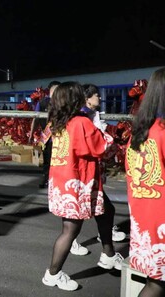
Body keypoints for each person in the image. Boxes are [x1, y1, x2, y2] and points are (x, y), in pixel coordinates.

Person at [42, 81, 123, 291]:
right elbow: (103, 146)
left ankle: (109, 254)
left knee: (106, 211)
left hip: (63, 181)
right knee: (70, 230)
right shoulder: (80, 122)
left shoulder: (58, 121)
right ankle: (52, 274)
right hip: (77, 182)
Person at [69, 83, 126, 255]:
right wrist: (111, 143)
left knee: (102, 211)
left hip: (90, 172)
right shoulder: (82, 119)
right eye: (95, 95)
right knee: (76, 220)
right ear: (86, 98)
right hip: (84, 174)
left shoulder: (89, 116)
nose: (99, 97)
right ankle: (57, 266)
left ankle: (106, 248)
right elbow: (99, 145)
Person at [125, 67, 165, 297]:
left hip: (144, 217)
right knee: (157, 284)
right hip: (160, 218)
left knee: (155, 281)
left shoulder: (140, 130)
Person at [29, 81, 61, 188]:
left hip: (60, 138)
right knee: (47, 160)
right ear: (50, 90)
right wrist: (31, 134)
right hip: (47, 138)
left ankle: (57, 181)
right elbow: (36, 118)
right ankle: (46, 179)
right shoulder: (42, 103)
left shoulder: (63, 103)